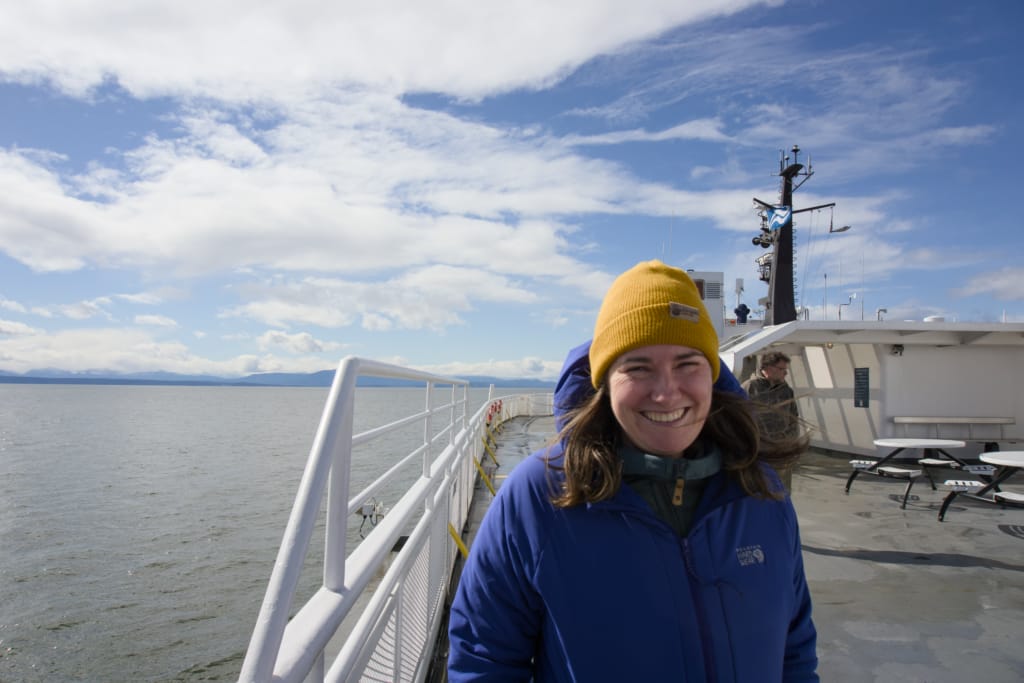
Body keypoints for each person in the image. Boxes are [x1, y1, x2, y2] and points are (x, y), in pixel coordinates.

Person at [448, 260, 817, 682]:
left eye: (687, 364)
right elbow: (483, 659)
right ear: (604, 383)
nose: (665, 392)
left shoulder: (761, 491)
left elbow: (795, 649)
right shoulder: (539, 496)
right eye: (638, 367)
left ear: (713, 376)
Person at [742, 352, 802, 490]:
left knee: (781, 493)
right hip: (756, 455)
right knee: (756, 492)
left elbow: (793, 418)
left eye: (786, 370)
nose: (785, 373)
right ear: (768, 368)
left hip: (781, 454)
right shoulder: (749, 388)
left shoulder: (786, 391)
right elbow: (738, 420)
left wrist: (789, 445)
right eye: (782, 369)